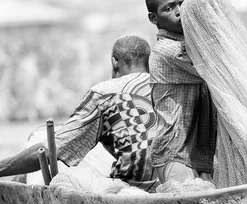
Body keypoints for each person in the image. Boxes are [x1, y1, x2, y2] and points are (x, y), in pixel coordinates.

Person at [0, 35, 157, 186]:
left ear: (114, 62)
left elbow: (51, 150)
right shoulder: (165, 86)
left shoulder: (104, 93)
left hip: (131, 189)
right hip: (171, 183)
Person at [146, 0, 216, 185]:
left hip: (198, 155)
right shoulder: (168, 50)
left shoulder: (188, 46)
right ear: (154, 18)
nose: (179, 12)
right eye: (168, 8)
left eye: (182, 4)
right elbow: (216, 70)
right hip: (175, 154)